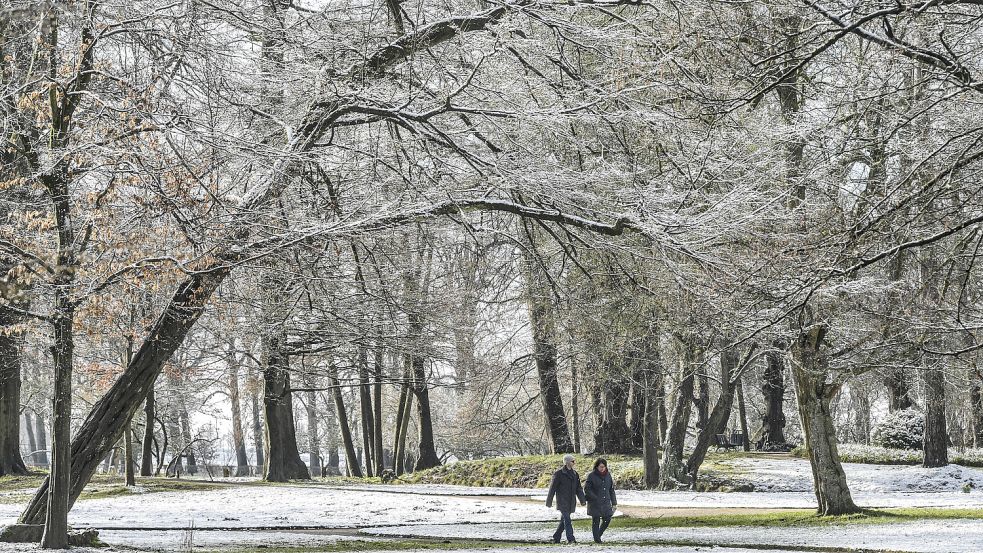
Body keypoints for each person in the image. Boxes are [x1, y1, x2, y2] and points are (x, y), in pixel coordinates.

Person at [545, 454, 586, 543]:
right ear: (567, 462)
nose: (574, 463)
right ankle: (571, 539)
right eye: (573, 461)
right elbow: (552, 488)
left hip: (571, 501)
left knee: (564, 520)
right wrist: (549, 501)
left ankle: (556, 537)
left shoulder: (575, 474)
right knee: (567, 520)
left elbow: (578, 488)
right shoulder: (558, 474)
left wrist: (582, 500)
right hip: (562, 501)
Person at [584, 457, 617, 543]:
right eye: (600, 467)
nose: (602, 468)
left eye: (604, 467)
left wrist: (614, 503)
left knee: (608, 519)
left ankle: (598, 534)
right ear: (596, 467)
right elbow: (587, 489)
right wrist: (594, 497)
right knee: (596, 520)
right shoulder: (591, 476)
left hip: (606, 502)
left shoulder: (608, 475)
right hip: (595, 503)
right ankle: (597, 539)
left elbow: (611, 490)